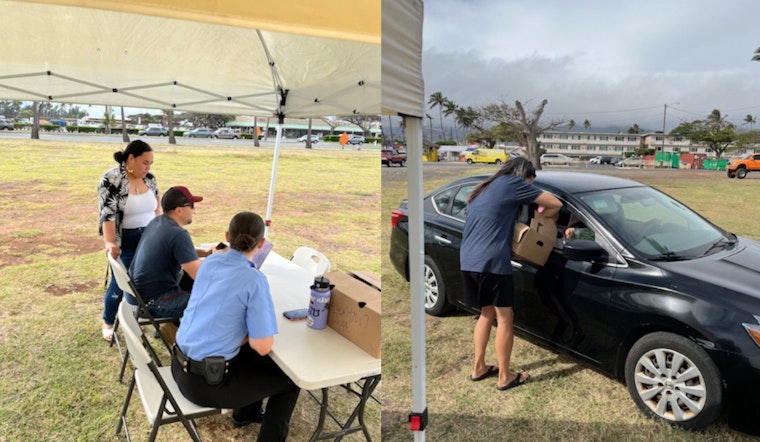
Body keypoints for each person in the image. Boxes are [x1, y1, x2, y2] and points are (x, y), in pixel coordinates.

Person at [172, 212, 300, 441]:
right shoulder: (254, 279)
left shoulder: (209, 262)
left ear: (226, 237)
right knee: (291, 381)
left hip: (178, 367)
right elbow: (262, 346)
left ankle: (246, 413)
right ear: (261, 244)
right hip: (207, 383)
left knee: (251, 354)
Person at [460, 157, 562, 390]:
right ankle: (505, 377)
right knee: (505, 317)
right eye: (530, 181)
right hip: (493, 262)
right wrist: (542, 218)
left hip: (468, 259)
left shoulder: (485, 187)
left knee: (486, 313)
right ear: (523, 175)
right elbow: (554, 203)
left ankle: (478, 368)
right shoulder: (512, 184)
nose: (529, 185)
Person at [97, 140, 159, 342]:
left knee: (153, 278)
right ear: (131, 158)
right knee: (121, 282)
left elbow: (156, 207)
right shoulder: (111, 179)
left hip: (150, 236)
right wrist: (110, 243)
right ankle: (108, 321)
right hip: (126, 240)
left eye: (151, 163)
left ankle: (156, 318)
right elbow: (107, 214)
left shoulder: (149, 179)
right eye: (145, 163)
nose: (148, 168)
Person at [128, 186, 203, 319]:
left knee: (190, 283)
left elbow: (173, 250)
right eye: (191, 206)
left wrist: (204, 252)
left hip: (137, 297)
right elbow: (200, 275)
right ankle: (179, 335)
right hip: (154, 302)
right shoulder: (178, 234)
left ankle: (170, 329)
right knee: (212, 301)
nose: (194, 210)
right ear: (178, 210)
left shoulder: (158, 222)